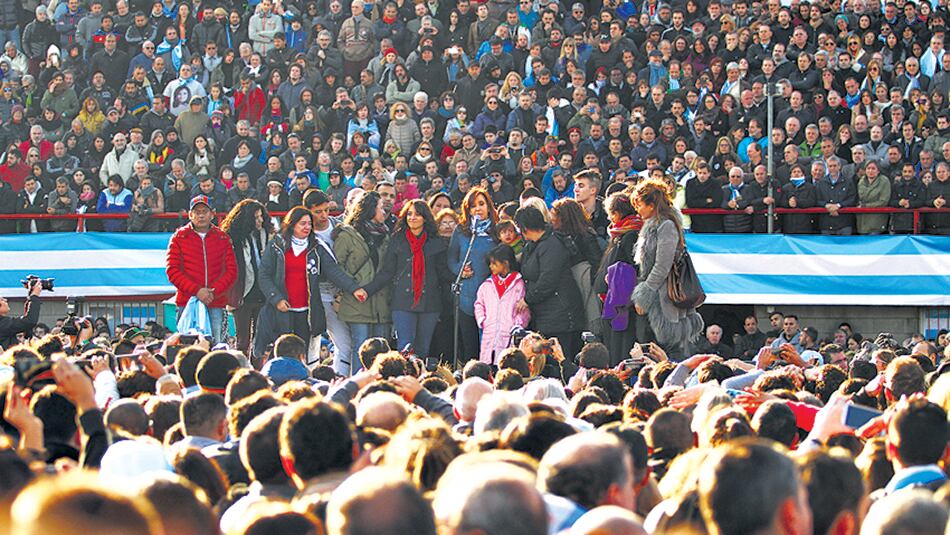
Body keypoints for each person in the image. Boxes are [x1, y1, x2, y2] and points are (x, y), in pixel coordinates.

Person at [256, 206, 366, 357]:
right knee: (280, 353)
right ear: (292, 224)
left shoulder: (317, 247)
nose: (307, 227)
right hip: (281, 309)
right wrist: (276, 299)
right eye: (302, 223)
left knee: (304, 353)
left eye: (309, 224)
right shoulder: (277, 245)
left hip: (307, 311)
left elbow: (334, 271)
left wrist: (354, 288)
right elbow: (264, 275)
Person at [361, 199, 450, 359]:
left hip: (430, 303)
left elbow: (443, 273)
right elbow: (387, 272)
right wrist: (367, 290)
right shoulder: (397, 240)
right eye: (409, 214)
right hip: (403, 301)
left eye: (417, 214)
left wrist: (461, 275)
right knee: (405, 348)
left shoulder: (436, 243)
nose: (412, 218)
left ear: (425, 218)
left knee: (423, 349)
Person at [631, 178, 703, 359]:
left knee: (670, 353)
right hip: (658, 296)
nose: (637, 209)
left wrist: (644, 295)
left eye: (640, 204)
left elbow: (662, 265)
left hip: (666, 298)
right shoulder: (654, 225)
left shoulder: (666, 225)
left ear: (652, 204)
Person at [514, 204, 585, 361]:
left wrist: (527, 299)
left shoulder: (552, 245)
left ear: (525, 228)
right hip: (544, 313)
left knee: (559, 358)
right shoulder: (532, 245)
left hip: (560, 313)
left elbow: (548, 280)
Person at [165, 194, 238, 342]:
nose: (201, 215)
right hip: (187, 302)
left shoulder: (223, 238)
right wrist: (197, 291)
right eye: (197, 212)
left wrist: (213, 291)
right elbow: (172, 270)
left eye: (204, 211)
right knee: (187, 346)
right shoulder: (179, 237)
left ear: (212, 214)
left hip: (215, 302)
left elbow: (231, 271)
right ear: (190, 215)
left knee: (216, 346)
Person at [333, 191, 392, 366]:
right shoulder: (347, 235)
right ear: (370, 209)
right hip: (356, 300)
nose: (385, 212)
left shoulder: (386, 235)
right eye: (381, 207)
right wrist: (353, 287)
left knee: (382, 351)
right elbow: (337, 267)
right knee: (361, 347)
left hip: (381, 301)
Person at [447, 187, 498, 362]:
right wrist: (460, 269)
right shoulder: (461, 231)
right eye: (473, 206)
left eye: (482, 204)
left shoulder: (497, 231)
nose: (478, 209)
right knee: (470, 346)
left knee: (489, 346)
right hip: (467, 296)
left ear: (489, 207)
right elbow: (451, 259)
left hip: (492, 299)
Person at [221, 199, 272, 359]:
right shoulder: (234, 239)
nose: (260, 221)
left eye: (261, 217)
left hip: (263, 293)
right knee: (243, 341)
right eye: (256, 218)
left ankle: (258, 372)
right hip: (243, 293)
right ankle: (242, 371)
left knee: (261, 340)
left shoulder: (268, 236)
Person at [595, 191, 642, 366]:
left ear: (617, 213)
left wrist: (615, 278)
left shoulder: (631, 234)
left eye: (610, 214)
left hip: (622, 305)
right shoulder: (620, 233)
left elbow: (633, 268)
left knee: (620, 349)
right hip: (611, 300)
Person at [474, 244, 529, 365]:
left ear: (506, 263)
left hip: (509, 332)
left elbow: (524, 310)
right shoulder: (487, 285)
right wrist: (482, 320)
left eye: (494, 263)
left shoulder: (518, 284)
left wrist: (517, 325)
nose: (491, 266)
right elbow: (479, 304)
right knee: (487, 364)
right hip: (490, 331)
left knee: (507, 364)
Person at [0, 278, 43, 349]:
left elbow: (26, 324)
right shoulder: (3, 323)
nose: (5, 300)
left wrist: (31, 295)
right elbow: (29, 321)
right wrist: (35, 296)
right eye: (2, 300)